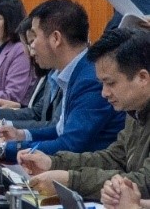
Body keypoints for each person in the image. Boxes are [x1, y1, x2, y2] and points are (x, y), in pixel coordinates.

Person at [17, 29, 149, 200]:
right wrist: (53, 162)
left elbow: (145, 182)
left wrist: (71, 180)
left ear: (142, 78)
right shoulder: (135, 111)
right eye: (102, 84)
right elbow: (113, 158)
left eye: (110, 83)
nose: (104, 93)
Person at [0, 0, 125, 162]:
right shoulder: (76, 70)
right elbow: (61, 130)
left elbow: (71, 145)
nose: (32, 47)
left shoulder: (90, 78)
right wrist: (21, 134)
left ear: (56, 39)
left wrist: (4, 149)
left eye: (35, 37)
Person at [0, 17, 62, 138]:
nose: (31, 51)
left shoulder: (64, 76)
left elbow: (55, 128)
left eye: (31, 43)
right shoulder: (52, 73)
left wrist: (5, 131)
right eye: (29, 44)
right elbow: (37, 113)